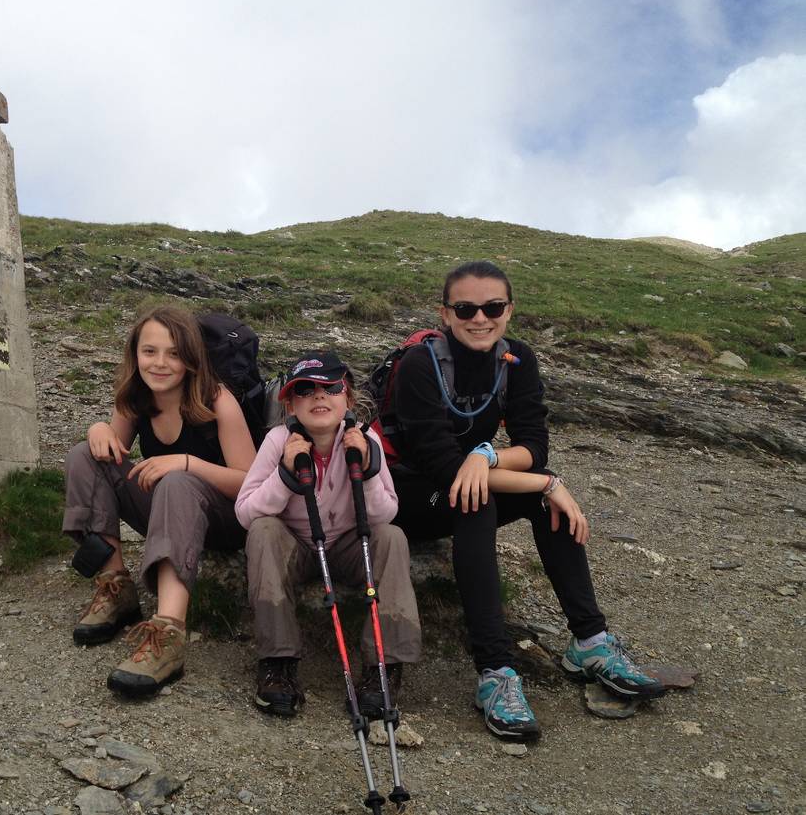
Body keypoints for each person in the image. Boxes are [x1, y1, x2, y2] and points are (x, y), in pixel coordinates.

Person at [388, 260, 663, 742]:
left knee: (510, 496)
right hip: (409, 496)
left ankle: (590, 642)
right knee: (479, 500)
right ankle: (495, 670)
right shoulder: (420, 366)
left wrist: (486, 454)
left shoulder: (517, 360)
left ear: (509, 310)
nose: (480, 318)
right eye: (466, 308)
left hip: (468, 477)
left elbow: (534, 443)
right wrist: (546, 483)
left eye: (492, 307)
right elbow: (445, 470)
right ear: (445, 313)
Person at [63, 306, 256, 698]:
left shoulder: (217, 400)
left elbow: (250, 485)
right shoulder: (135, 398)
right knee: (85, 455)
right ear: (135, 354)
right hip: (169, 512)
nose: (161, 363)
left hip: (223, 520)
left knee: (178, 481)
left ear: (190, 357)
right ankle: (115, 588)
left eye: (173, 353)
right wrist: (98, 428)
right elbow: (108, 454)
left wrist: (187, 462)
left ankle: (168, 632)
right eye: (150, 351)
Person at [235, 351, 422, 718]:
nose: (319, 396)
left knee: (393, 537)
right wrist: (285, 475)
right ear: (289, 404)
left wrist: (366, 470)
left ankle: (383, 667)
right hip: (296, 546)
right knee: (263, 529)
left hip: (353, 545)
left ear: (348, 398)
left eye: (330, 387)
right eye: (305, 390)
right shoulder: (277, 442)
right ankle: (278, 662)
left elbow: (386, 511)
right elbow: (246, 511)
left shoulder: (367, 440)